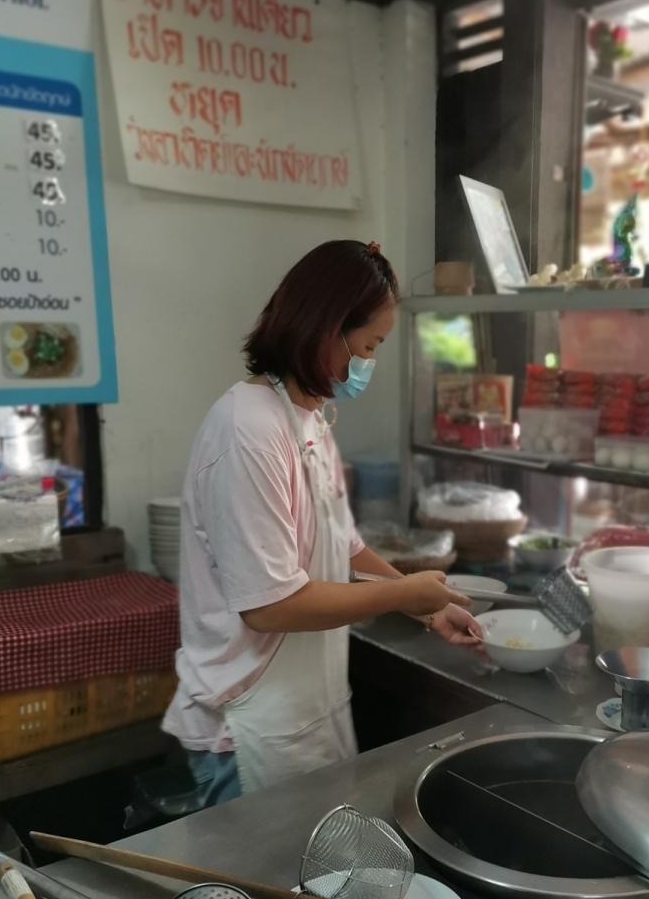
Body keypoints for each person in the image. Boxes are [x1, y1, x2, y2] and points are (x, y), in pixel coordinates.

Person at [163, 240, 481, 805]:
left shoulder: (309, 418)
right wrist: (403, 592)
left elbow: (345, 547)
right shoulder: (248, 430)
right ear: (327, 330)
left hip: (305, 711)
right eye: (369, 345)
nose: (369, 363)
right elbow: (269, 605)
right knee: (266, 865)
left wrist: (429, 610)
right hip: (246, 726)